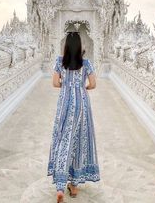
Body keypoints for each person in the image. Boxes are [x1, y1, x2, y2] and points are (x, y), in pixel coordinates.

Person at [47, 31, 100, 203]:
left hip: (64, 104)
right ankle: (74, 185)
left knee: (64, 139)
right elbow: (93, 84)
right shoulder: (86, 63)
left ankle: (61, 186)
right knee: (79, 140)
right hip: (82, 104)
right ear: (80, 46)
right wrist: (82, 88)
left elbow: (55, 83)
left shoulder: (59, 62)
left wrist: (66, 85)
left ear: (66, 46)